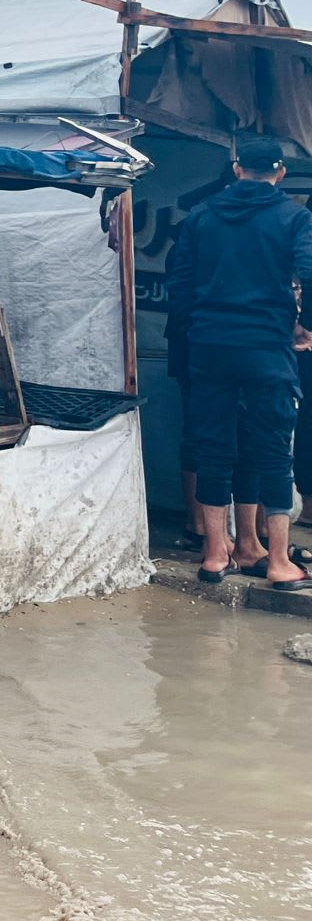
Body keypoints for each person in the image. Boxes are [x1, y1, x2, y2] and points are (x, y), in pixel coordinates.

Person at [166, 133, 312, 589]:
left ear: (237, 169)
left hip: (210, 347)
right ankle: (278, 563)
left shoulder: (201, 217)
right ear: (280, 173)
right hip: (266, 348)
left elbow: (180, 284)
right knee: (272, 451)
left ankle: (214, 555)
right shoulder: (294, 216)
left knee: (213, 447)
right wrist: (305, 326)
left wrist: (201, 330)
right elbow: (309, 273)